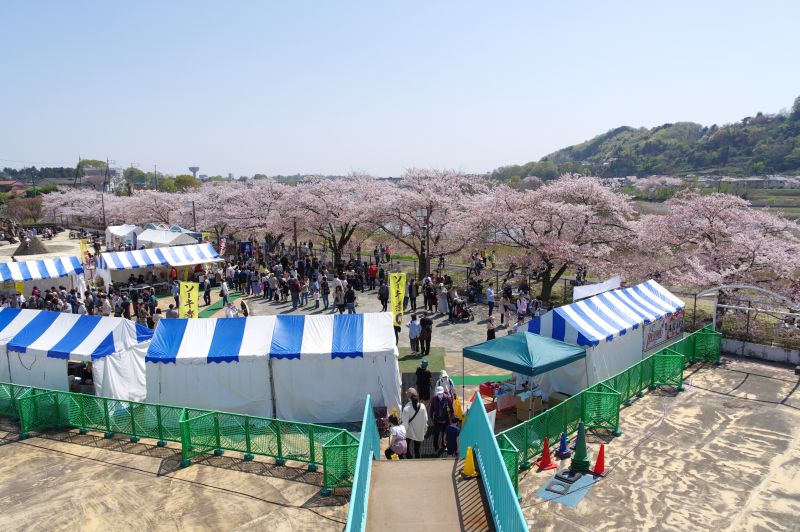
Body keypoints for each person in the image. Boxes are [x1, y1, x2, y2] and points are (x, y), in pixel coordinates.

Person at [401, 388, 428, 459]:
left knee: (406, 448)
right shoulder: (423, 406)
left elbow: (405, 424)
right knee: (417, 449)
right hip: (419, 430)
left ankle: (409, 459)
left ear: (409, 397)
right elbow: (426, 420)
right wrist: (424, 429)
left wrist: (402, 434)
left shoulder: (406, 408)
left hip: (409, 432)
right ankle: (417, 463)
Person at [430, 386, 454, 455]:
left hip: (446, 419)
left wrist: (452, 416)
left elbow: (451, 408)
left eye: (441, 393)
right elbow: (431, 408)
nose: (439, 395)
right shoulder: (434, 399)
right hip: (437, 419)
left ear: (443, 392)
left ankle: (444, 445)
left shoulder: (447, 398)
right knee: (436, 434)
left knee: (445, 434)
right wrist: (431, 416)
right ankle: (436, 447)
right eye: (438, 393)